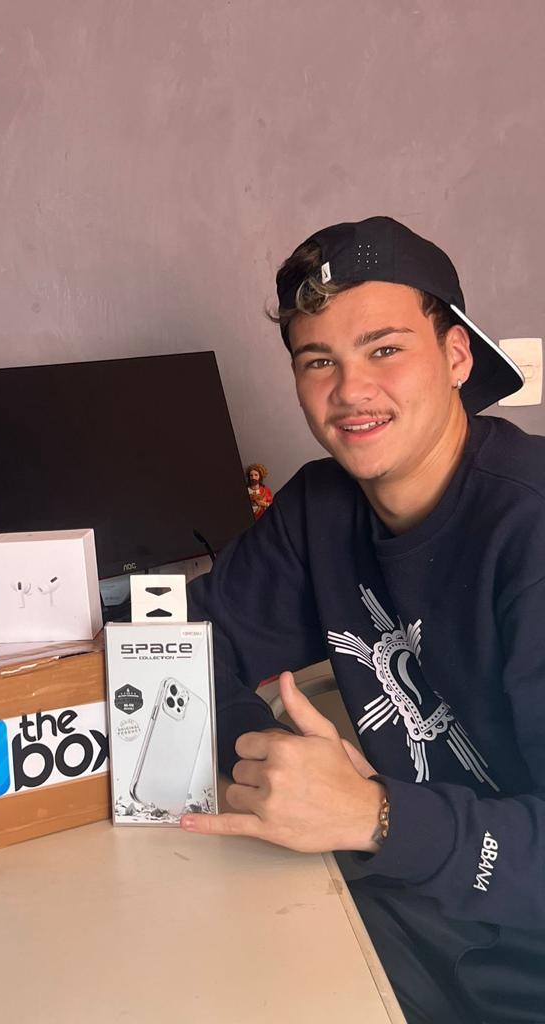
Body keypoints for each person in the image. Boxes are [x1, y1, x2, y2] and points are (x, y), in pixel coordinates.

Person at [183, 216, 545, 1023]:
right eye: (319, 361)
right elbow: (183, 642)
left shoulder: (528, 530)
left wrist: (375, 814)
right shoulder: (321, 508)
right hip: (407, 915)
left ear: (457, 356)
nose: (349, 390)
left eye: (384, 349)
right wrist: (272, 761)